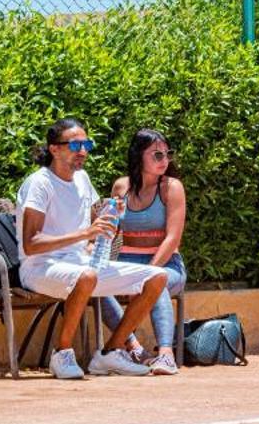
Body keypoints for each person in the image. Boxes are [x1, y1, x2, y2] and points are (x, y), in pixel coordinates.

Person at [17, 118, 168, 381]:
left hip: (82, 265)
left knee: (156, 277)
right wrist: (85, 233)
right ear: (54, 148)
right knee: (87, 277)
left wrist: (112, 208)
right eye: (76, 144)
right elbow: (31, 244)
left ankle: (110, 352)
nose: (83, 151)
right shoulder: (39, 183)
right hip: (40, 267)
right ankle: (61, 352)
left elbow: (94, 214)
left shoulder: (82, 179)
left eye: (86, 144)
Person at [97, 129, 188, 375]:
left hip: (166, 264)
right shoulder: (121, 186)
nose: (164, 161)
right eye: (157, 155)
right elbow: (111, 231)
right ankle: (133, 347)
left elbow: (172, 238)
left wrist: (149, 270)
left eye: (167, 154)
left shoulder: (172, 187)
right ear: (139, 156)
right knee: (92, 284)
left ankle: (166, 354)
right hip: (127, 264)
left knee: (154, 282)